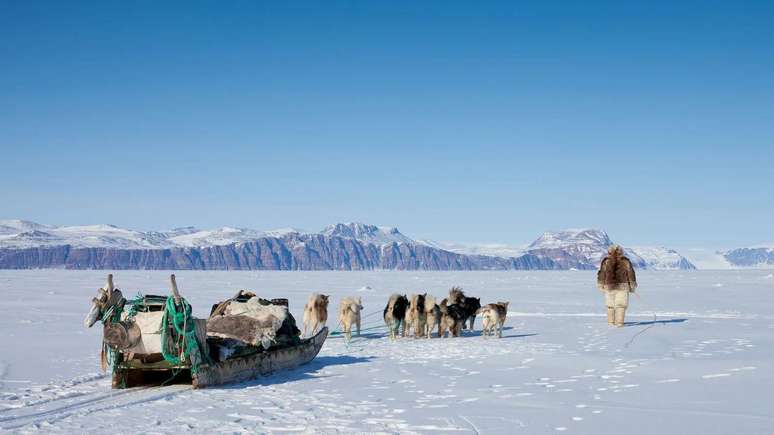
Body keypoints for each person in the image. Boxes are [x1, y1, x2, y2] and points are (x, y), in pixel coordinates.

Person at [597, 245, 637, 327]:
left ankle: (611, 323)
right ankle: (619, 323)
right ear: (621, 251)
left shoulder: (606, 261)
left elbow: (601, 274)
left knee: (610, 306)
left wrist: (600, 285)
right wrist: (632, 286)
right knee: (621, 305)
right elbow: (631, 274)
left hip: (609, 286)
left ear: (609, 251)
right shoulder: (626, 261)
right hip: (623, 287)